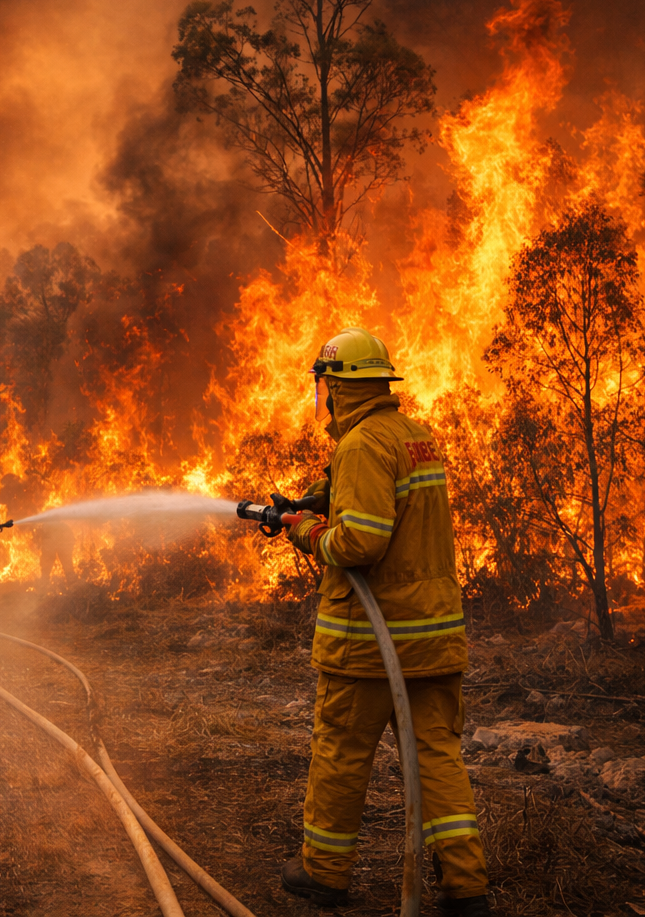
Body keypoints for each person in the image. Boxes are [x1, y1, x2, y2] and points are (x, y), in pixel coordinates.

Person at [279, 326, 488, 916]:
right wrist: (324, 498)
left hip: (371, 646)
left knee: (342, 752)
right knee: (437, 759)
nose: (323, 398)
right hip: (432, 637)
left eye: (325, 386)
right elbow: (386, 504)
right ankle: (466, 885)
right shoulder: (414, 437)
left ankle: (323, 872)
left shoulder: (362, 444)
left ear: (339, 388)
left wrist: (306, 530)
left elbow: (361, 541)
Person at [36, 518, 75, 592]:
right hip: (60, 547)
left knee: (46, 571)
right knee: (68, 569)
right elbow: (71, 541)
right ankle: (73, 588)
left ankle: (43, 590)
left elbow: (44, 545)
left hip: (56, 547)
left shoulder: (46, 526)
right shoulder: (64, 526)